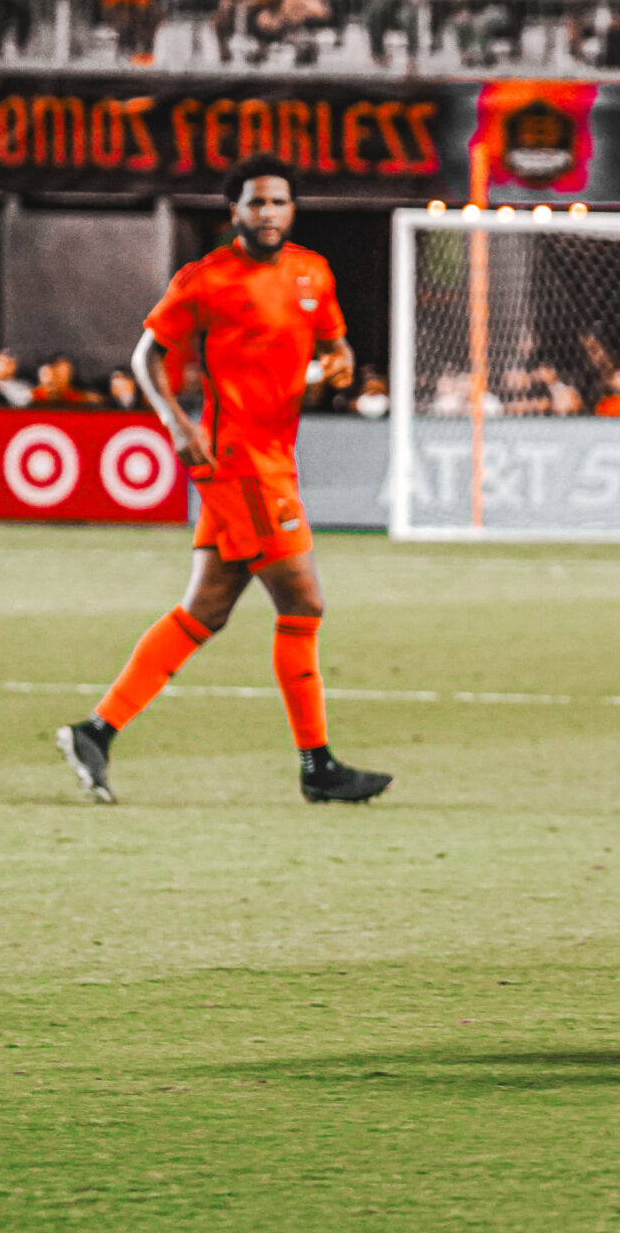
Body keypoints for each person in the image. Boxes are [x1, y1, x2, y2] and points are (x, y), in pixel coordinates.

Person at [55, 155, 390, 809]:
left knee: (204, 610)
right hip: (239, 461)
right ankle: (317, 765)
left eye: (279, 202)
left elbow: (335, 343)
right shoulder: (205, 280)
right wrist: (177, 422)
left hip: (274, 456)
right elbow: (144, 356)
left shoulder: (310, 272)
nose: (268, 213)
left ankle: (95, 731)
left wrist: (340, 364)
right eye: (256, 202)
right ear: (233, 210)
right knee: (304, 604)